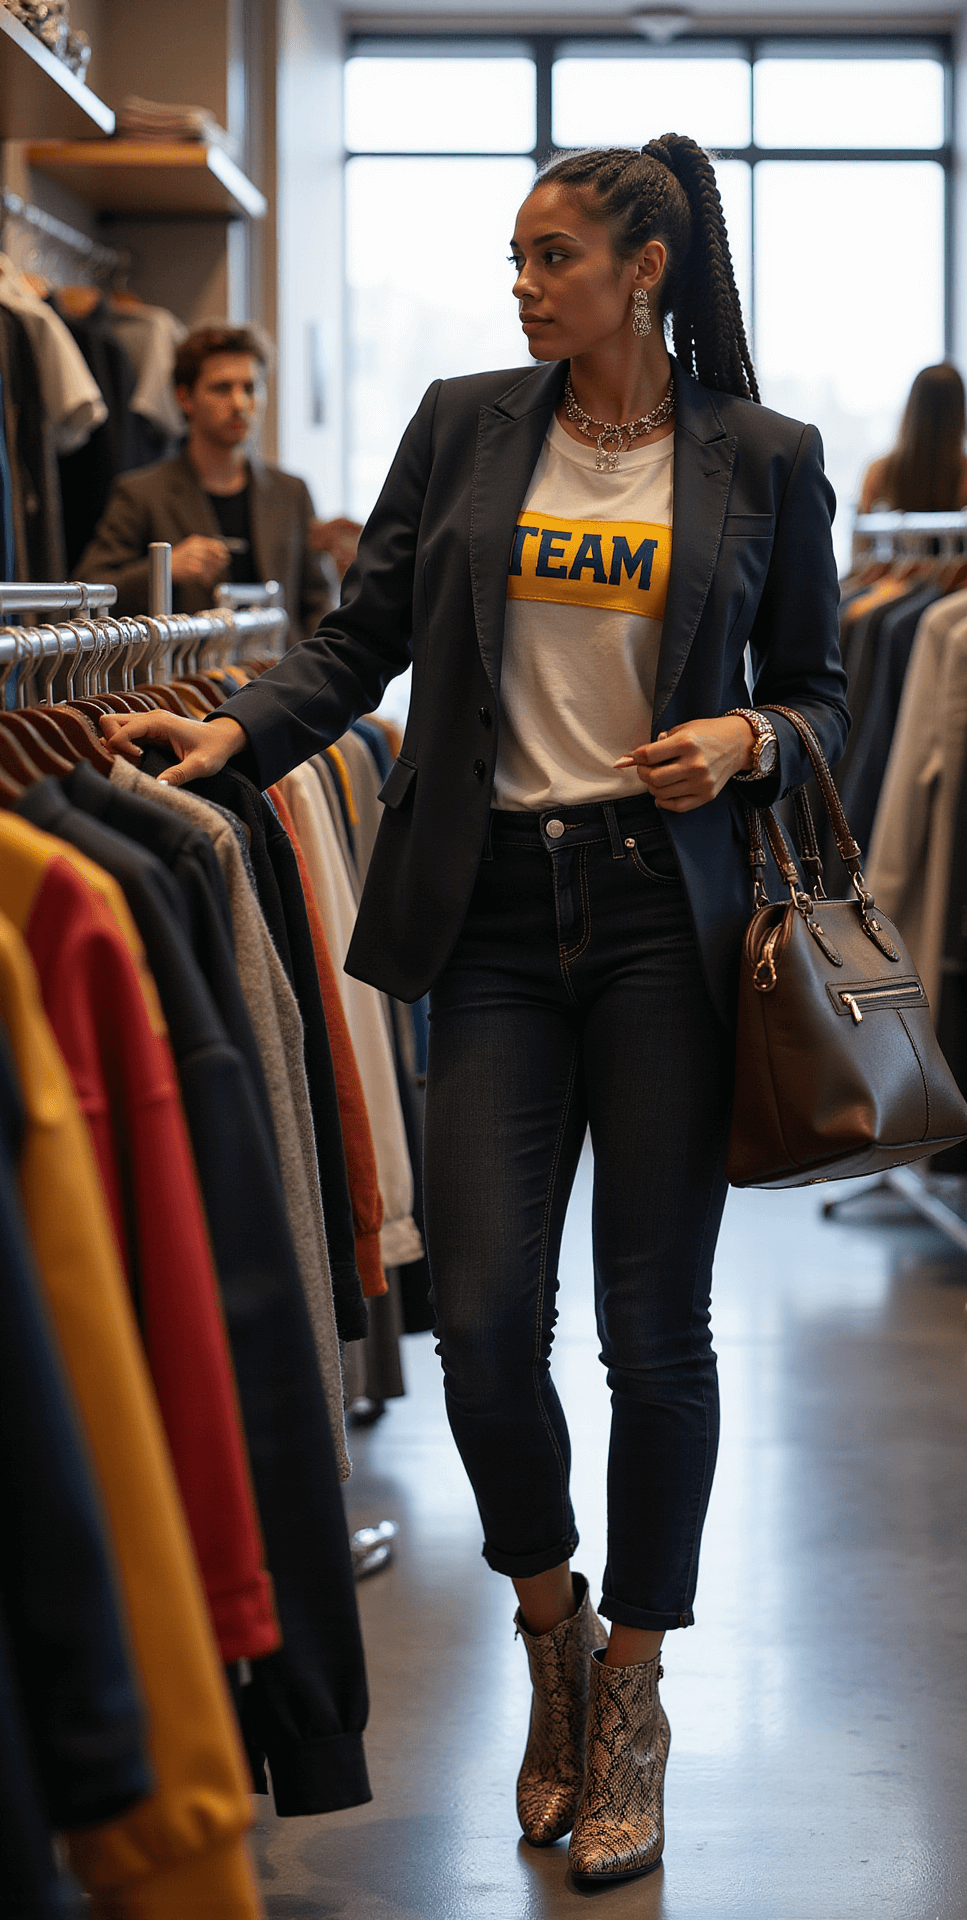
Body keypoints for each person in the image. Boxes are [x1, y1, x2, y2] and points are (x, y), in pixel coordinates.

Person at [100, 134, 848, 1885]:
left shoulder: (761, 458)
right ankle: (545, 1634)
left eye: (549, 256)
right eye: (512, 257)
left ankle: (635, 1688)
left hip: (667, 918)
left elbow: (819, 691)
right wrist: (234, 741)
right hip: (495, 914)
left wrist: (748, 739)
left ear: (641, 269)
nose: (519, 285)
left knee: (651, 1336)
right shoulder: (464, 422)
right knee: (487, 1324)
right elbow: (361, 639)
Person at [77, 324, 336, 640]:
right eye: (222, 388)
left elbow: (318, 600)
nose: (240, 403)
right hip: (188, 684)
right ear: (185, 398)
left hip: (281, 678)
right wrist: (164, 570)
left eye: (251, 388)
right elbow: (91, 591)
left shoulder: (292, 492)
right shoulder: (141, 492)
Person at [855, 361, 967, 553]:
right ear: (959, 413)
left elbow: (861, 552)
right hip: (957, 582)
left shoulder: (878, 471)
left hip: (889, 581)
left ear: (912, 408)